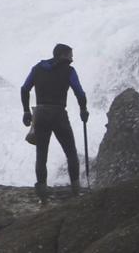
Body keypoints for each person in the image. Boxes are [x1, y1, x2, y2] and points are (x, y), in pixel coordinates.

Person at [20, 44, 89, 201]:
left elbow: (24, 89)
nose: (72, 59)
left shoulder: (37, 68)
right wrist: (83, 110)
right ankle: (76, 189)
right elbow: (79, 92)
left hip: (41, 114)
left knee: (41, 154)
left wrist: (26, 111)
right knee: (71, 152)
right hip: (58, 114)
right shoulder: (69, 71)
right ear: (63, 55)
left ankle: (43, 193)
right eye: (70, 55)